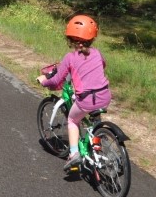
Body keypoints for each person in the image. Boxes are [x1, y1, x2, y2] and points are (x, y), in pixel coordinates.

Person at [36, 14, 112, 171]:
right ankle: (98, 143)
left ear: (70, 39)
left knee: (72, 120)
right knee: (93, 117)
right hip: (105, 95)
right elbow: (102, 65)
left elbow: (57, 81)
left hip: (86, 99)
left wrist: (44, 81)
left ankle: (74, 154)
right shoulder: (97, 53)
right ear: (92, 38)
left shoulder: (70, 58)